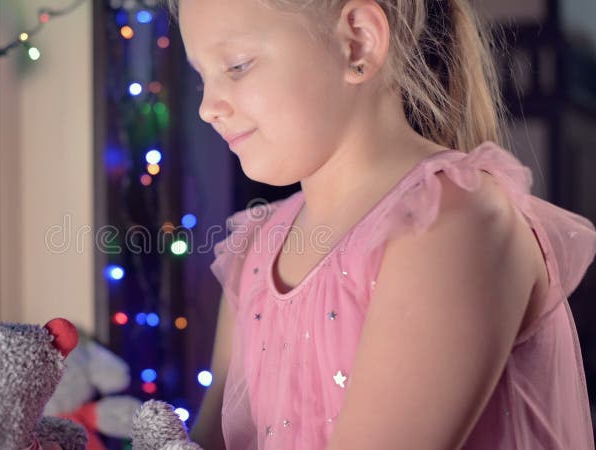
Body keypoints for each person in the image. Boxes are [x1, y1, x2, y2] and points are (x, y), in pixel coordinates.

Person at [166, 0, 596, 449]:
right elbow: (211, 439)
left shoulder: (452, 222)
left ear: (358, 42)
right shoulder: (254, 248)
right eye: (202, 78)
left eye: (236, 66)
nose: (207, 108)